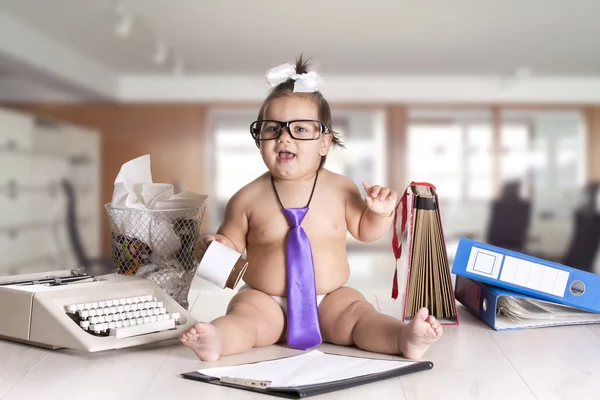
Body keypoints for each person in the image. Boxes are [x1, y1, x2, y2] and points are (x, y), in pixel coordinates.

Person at [180, 56, 443, 361]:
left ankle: (403, 338)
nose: (284, 138)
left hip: (330, 297)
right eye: (273, 129)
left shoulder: (341, 188)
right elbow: (230, 245)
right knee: (245, 321)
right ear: (259, 138)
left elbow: (366, 231)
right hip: (264, 299)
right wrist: (215, 247)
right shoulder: (246, 198)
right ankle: (217, 340)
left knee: (360, 317)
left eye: (300, 130)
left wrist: (379, 213)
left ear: (324, 142)